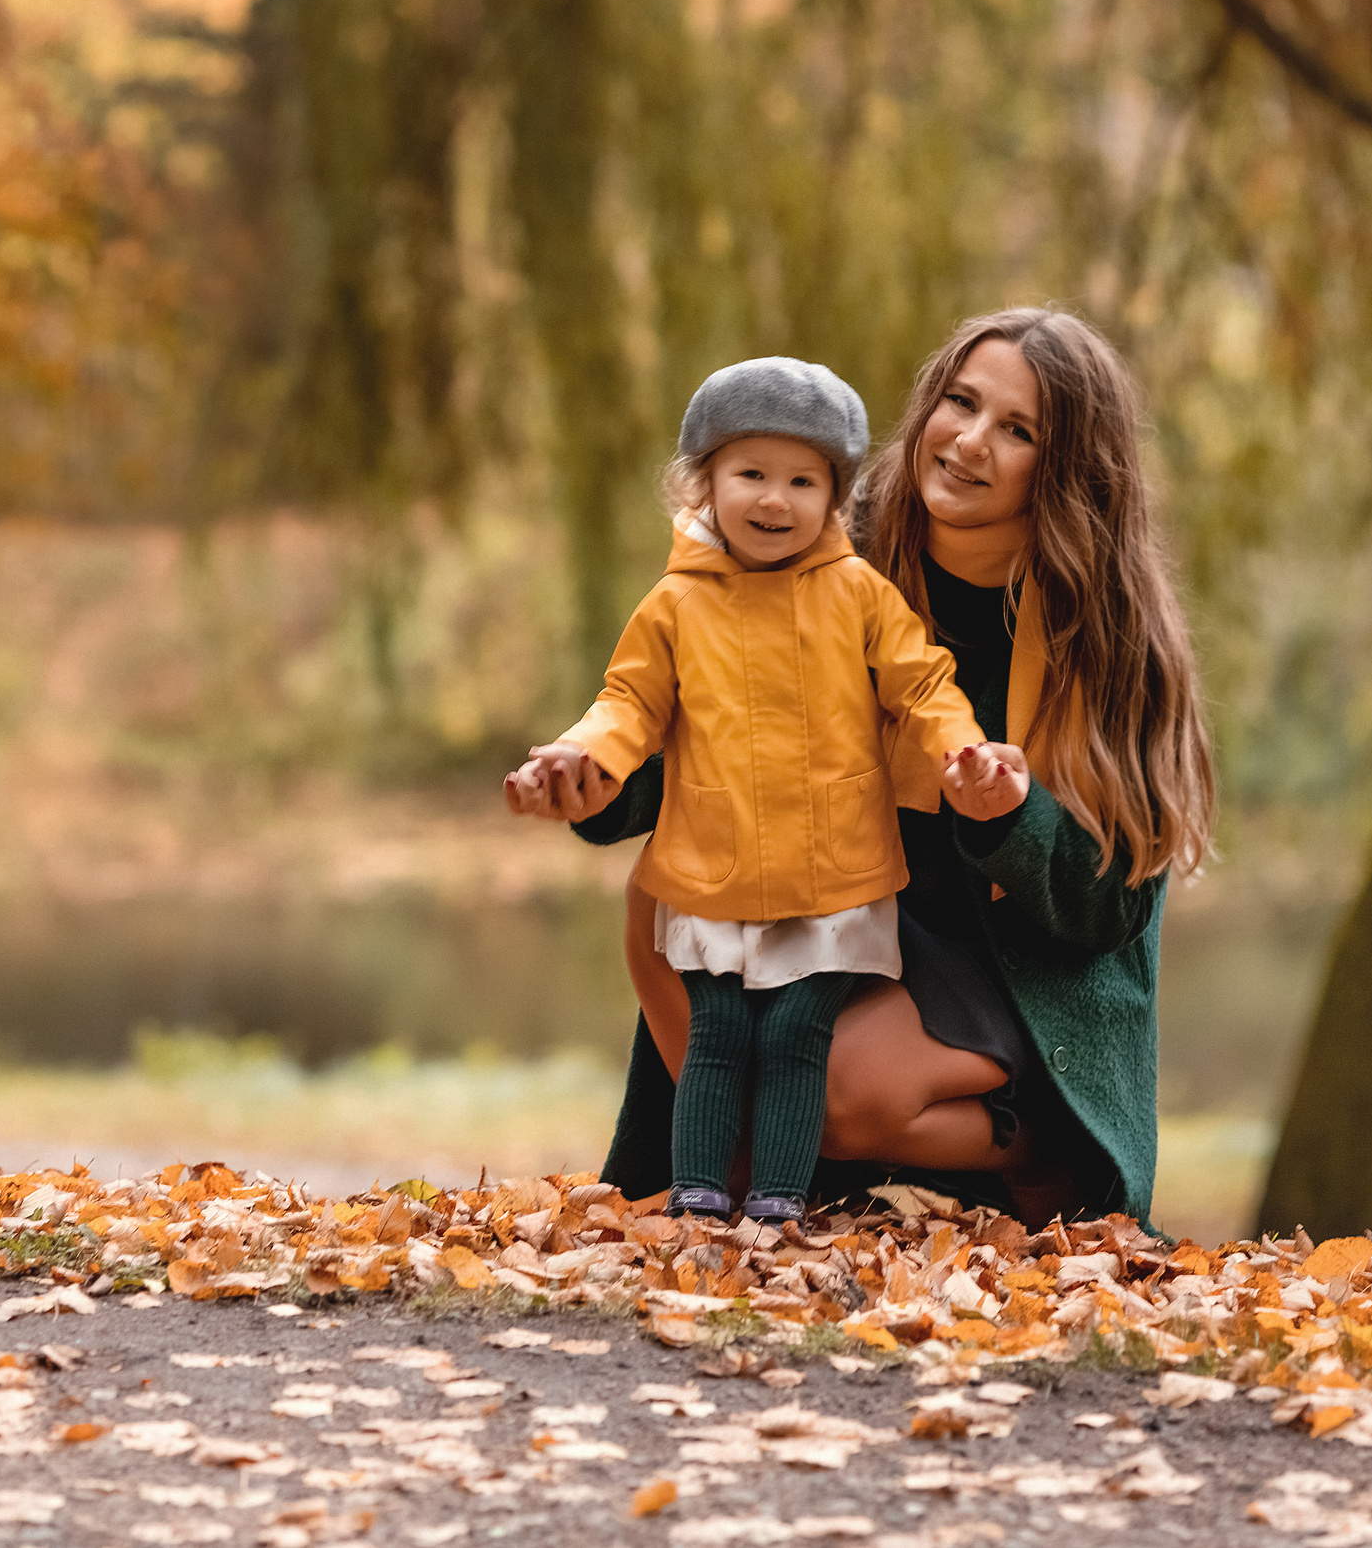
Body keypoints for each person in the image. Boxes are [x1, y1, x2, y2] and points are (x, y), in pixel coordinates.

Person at [513, 309, 1215, 1227]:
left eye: (1017, 430)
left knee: (837, 1088)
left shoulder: (1107, 632)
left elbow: (1110, 904)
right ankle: (764, 1155)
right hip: (852, 894)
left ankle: (1045, 1138)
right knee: (667, 901)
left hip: (1015, 954)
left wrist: (1010, 814)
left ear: (1068, 467)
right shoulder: (818, 545)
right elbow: (704, 725)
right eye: (960, 402)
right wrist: (600, 779)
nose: (968, 441)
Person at [504, 356, 1019, 1226]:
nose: (774, 500)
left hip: (835, 872)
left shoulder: (858, 592)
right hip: (715, 864)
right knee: (719, 1036)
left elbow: (921, 684)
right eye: (751, 474)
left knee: (794, 1035)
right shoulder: (673, 605)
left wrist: (964, 753)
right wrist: (577, 760)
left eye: (801, 480)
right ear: (704, 484)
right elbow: (628, 703)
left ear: (835, 494)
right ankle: (702, 1195)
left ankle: (783, 1199)